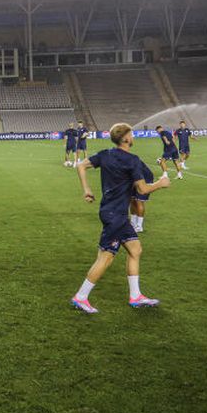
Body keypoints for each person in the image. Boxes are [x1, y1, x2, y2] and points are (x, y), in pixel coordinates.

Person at [70, 122, 171, 312]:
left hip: (112, 212)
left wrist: (87, 189)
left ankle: (136, 296)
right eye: (131, 134)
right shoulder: (132, 160)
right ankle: (80, 297)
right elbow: (142, 189)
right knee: (106, 257)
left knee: (135, 250)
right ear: (125, 138)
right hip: (115, 215)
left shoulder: (105, 154)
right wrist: (161, 183)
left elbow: (81, 165)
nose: (133, 137)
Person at [129, 160, 156, 233]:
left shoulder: (130, 161)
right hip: (135, 178)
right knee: (132, 200)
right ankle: (132, 223)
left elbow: (136, 176)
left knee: (139, 201)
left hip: (145, 179)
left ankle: (139, 226)